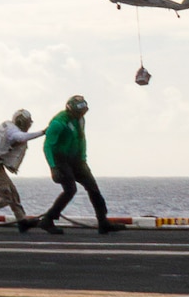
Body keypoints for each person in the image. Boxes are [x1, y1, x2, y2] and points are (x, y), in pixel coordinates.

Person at [36, 94, 123, 235]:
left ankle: (103, 222)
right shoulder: (58, 122)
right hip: (60, 159)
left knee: (94, 189)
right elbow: (47, 146)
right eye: (78, 113)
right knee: (70, 190)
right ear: (70, 110)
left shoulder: (81, 119)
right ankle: (48, 219)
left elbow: (82, 139)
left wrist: (83, 159)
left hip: (77, 160)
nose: (80, 115)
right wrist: (53, 167)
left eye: (83, 112)